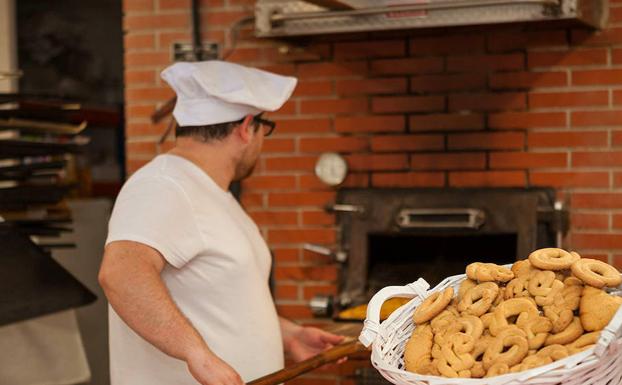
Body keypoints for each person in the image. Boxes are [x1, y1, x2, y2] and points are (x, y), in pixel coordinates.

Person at [98, 61, 344, 385]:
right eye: (263, 129)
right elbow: (121, 274)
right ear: (246, 127)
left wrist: (290, 336)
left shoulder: (211, 193)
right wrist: (195, 353)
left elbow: (220, 302)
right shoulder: (162, 185)